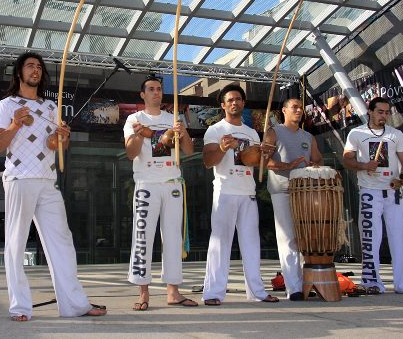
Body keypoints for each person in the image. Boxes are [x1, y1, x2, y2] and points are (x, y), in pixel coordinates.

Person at [0, 51, 107, 321]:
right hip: (19, 178)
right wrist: (15, 123)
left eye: (39, 67)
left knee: (62, 241)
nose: (36, 70)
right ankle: (20, 307)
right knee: (16, 243)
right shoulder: (6, 105)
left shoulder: (51, 107)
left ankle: (74, 305)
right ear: (19, 72)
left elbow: (54, 147)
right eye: (30, 66)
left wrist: (62, 138)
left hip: (47, 180)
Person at [124, 74, 196, 311]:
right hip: (147, 184)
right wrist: (137, 133)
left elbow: (187, 151)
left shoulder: (173, 119)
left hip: (172, 182)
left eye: (158, 89)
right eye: (151, 89)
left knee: (173, 237)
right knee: (143, 235)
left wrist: (182, 132)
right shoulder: (134, 118)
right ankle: (143, 292)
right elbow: (131, 153)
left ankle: (173, 291)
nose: (156, 92)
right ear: (143, 94)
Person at [201, 84, 279, 306]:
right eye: (230, 100)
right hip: (225, 192)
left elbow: (253, 163)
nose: (235, 102)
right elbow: (207, 162)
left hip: (248, 193)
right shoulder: (215, 130)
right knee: (220, 243)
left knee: (251, 243)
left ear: (243, 103)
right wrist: (224, 149)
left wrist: (263, 154)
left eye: (238, 99)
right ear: (223, 105)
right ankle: (213, 293)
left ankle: (257, 292)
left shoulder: (252, 132)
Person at [342, 97, 403, 295]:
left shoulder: (395, 135)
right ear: (370, 112)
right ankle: (372, 282)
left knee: (401, 237)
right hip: (369, 191)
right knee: (371, 237)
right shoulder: (356, 133)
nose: (384, 116)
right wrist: (364, 166)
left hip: (393, 192)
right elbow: (347, 159)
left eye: (387, 112)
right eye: (380, 112)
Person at [264, 98, 323, 301]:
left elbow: (318, 159)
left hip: (305, 193)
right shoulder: (274, 131)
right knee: (287, 239)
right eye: (294, 107)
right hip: (282, 191)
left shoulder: (308, 136)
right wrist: (287, 166)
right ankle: (293, 287)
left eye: (300, 107)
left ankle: (305, 283)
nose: (299, 110)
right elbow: (265, 161)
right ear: (284, 110)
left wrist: (314, 165)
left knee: (304, 239)